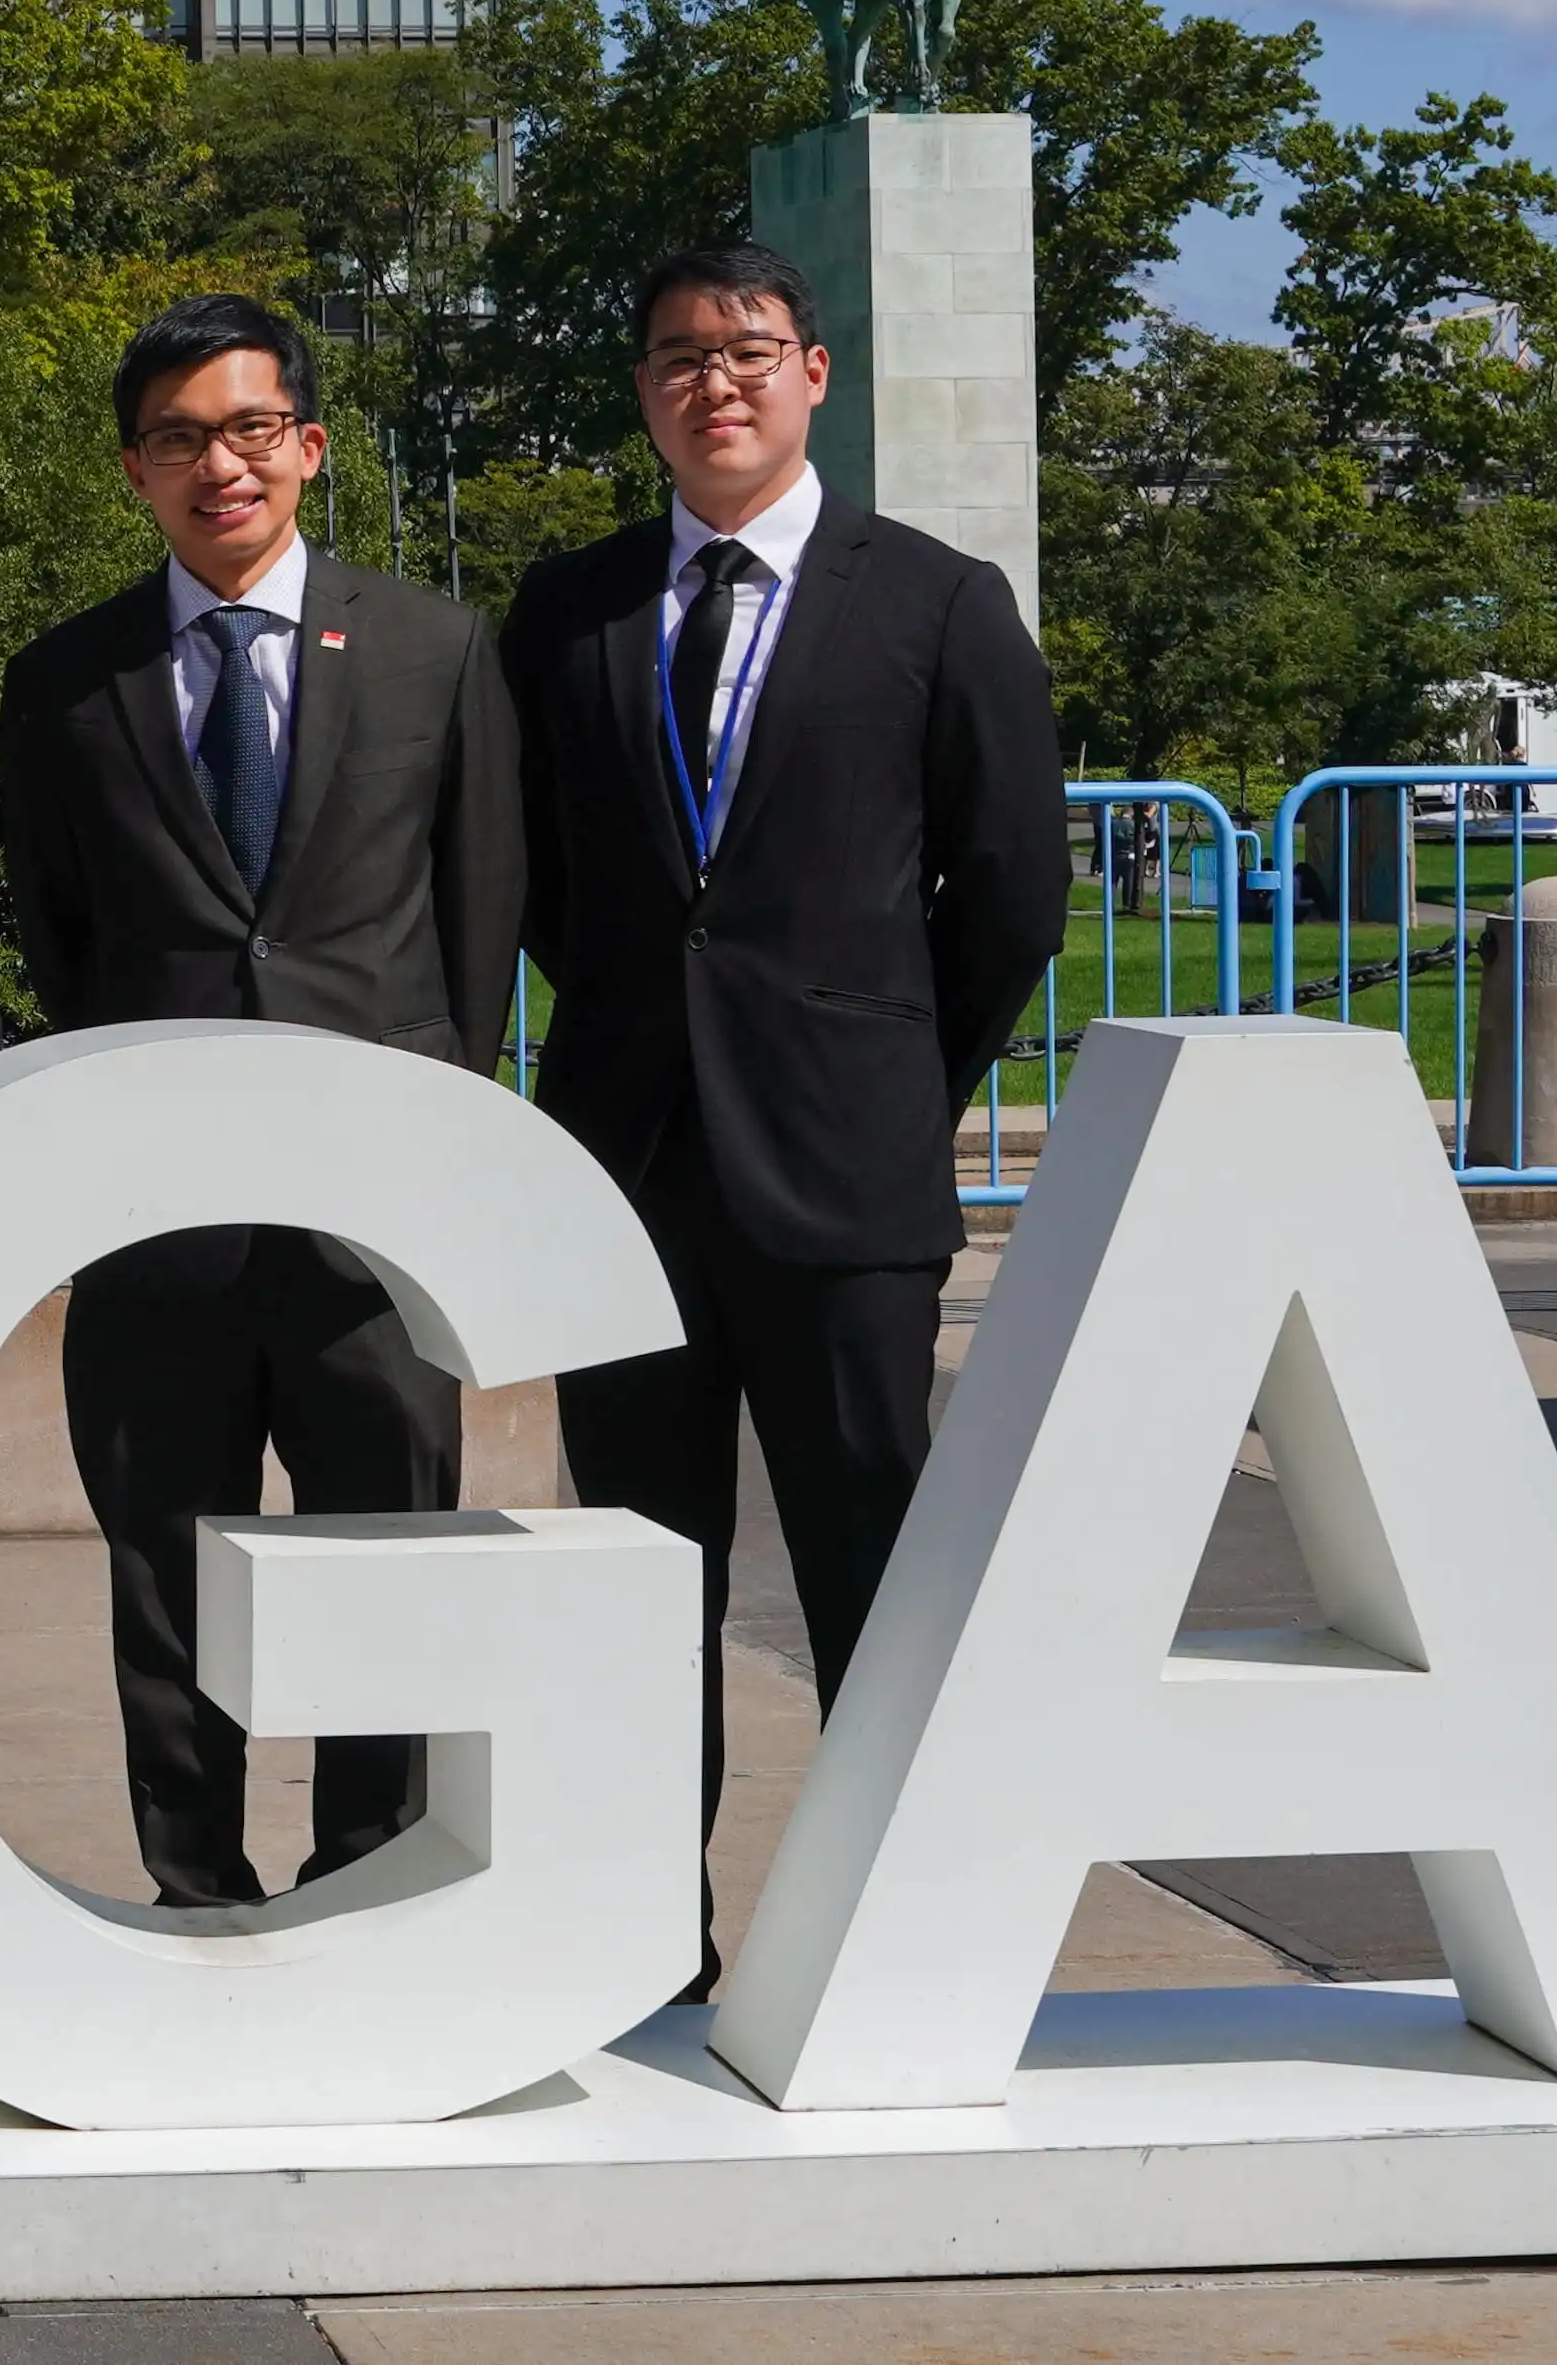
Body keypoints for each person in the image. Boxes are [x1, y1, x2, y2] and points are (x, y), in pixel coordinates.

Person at [499, 239, 1063, 1993]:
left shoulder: (938, 600)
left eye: (748, 349)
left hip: (841, 1183)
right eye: (676, 354)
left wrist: (885, 1069)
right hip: (632, 1181)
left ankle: (898, 1953)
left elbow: (1018, 894)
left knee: (872, 1583)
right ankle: (644, 1949)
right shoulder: (568, 611)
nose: (713, 379)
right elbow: (548, 886)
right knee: (633, 1598)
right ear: (644, 391)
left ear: (818, 373)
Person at [0, 295, 522, 1914]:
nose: (216, 464)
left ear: (306, 443)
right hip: (161, 1218)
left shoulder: (434, 647)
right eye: (175, 439)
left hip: (379, 1221)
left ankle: (367, 1870)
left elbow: (478, 913)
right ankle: (196, 1886)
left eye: (246, 429)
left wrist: (434, 1142)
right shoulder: (67, 679)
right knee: (166, 1573)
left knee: (388, 1570)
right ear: (134, 470)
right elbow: (64, 939)